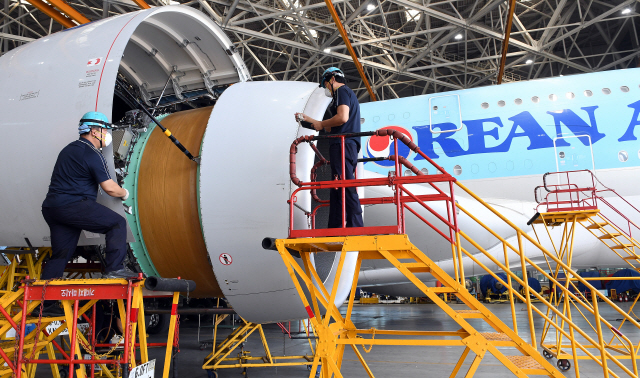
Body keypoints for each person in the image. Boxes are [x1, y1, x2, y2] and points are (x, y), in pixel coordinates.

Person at [40, 112, 137, 315]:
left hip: (52, 208)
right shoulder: (92, 153)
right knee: (116, 223)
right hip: (73, 205)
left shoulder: (68, 150)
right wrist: (126, 193)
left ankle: (44, 304)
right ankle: (114, 270)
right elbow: (109, 188)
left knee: (61, 254)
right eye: (104, 130)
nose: (106, 134)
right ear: (94, 131)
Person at [295, 67, 364, 228]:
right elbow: (327, 127)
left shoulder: (341, 92)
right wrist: (309, 120)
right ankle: (335, 225)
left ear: (332, 79)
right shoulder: (347, 95)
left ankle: (356, 225)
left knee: (344, 183)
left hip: (343, 144)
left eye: (326, 84)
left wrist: (320, 123)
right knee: (338, 185)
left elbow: (342, 117)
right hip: (343, 144)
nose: (327, 88)